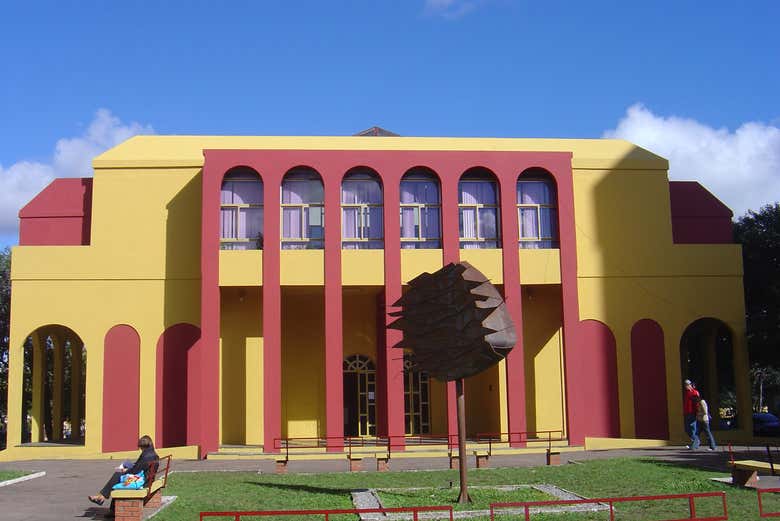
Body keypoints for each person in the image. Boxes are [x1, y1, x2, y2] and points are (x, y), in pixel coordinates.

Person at [88, 435, 159, 506]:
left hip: (143, 481)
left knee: (117, 475)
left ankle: (102, 497)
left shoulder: (145, 456)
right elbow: (140, 467)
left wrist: (125, 470)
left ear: (143, 446)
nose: (140, 449)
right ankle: (102, 498)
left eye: (140, 447)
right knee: (117, 477)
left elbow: (135, 470)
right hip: (148, 478)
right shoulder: (152, 453)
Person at [683, 379, 701, 449]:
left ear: (691, 385)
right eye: (685, 385)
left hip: (693, 412)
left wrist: (697, 412)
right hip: (687, 412)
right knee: (687, 429)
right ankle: (696, 441)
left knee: (693, 428)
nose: (686, 386)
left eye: (687, 384)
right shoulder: (686, 393)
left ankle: (695, 443)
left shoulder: (695, 392)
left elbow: (698, 403)